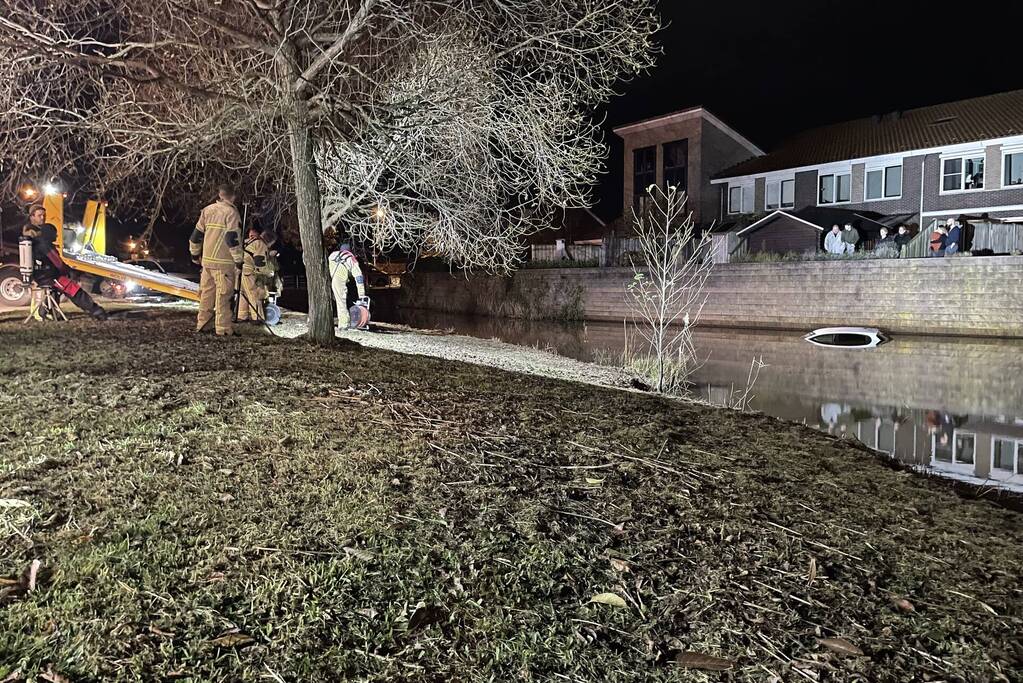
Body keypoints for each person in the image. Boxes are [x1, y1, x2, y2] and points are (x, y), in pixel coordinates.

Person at [21, 204, 107, 320]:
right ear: (32, 216)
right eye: (39, 215)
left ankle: (45, 311)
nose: (43, 218)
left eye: (44, 215)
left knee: (57, 288)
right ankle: (96, 311)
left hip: (43, 274)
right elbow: (57, 262)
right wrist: (69, 271)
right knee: (72, 288)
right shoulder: (42, 241)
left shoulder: (34, 237)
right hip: (48, 275)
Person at [190, 185, 243, 335]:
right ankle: (223, 329)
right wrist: (238, 260)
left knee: (206, 295)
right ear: (233, 196)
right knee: (223, 296)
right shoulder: (231, 213)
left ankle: (203, 325)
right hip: (224, 263)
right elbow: (232, 239)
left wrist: (195, 255)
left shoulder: (207, 210)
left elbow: (196, 236)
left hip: (207, 262)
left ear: (219, 195)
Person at [328, 240, 369, 332]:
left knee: (333, 302)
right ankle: (344, 324)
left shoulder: (332, 255)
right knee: (341, 302)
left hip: (329, 279)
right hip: (339, 280)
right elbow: (358, 277)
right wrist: (361, 294)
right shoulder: (350, 258)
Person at [238, 227, 269, 323]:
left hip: (239, 270)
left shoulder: (245, 242)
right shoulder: (260, 244)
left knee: (243, 294)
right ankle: (257, 317)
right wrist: (264, 273)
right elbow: (260, 261)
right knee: (254, 293)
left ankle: (242, 316)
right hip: (248, 271)